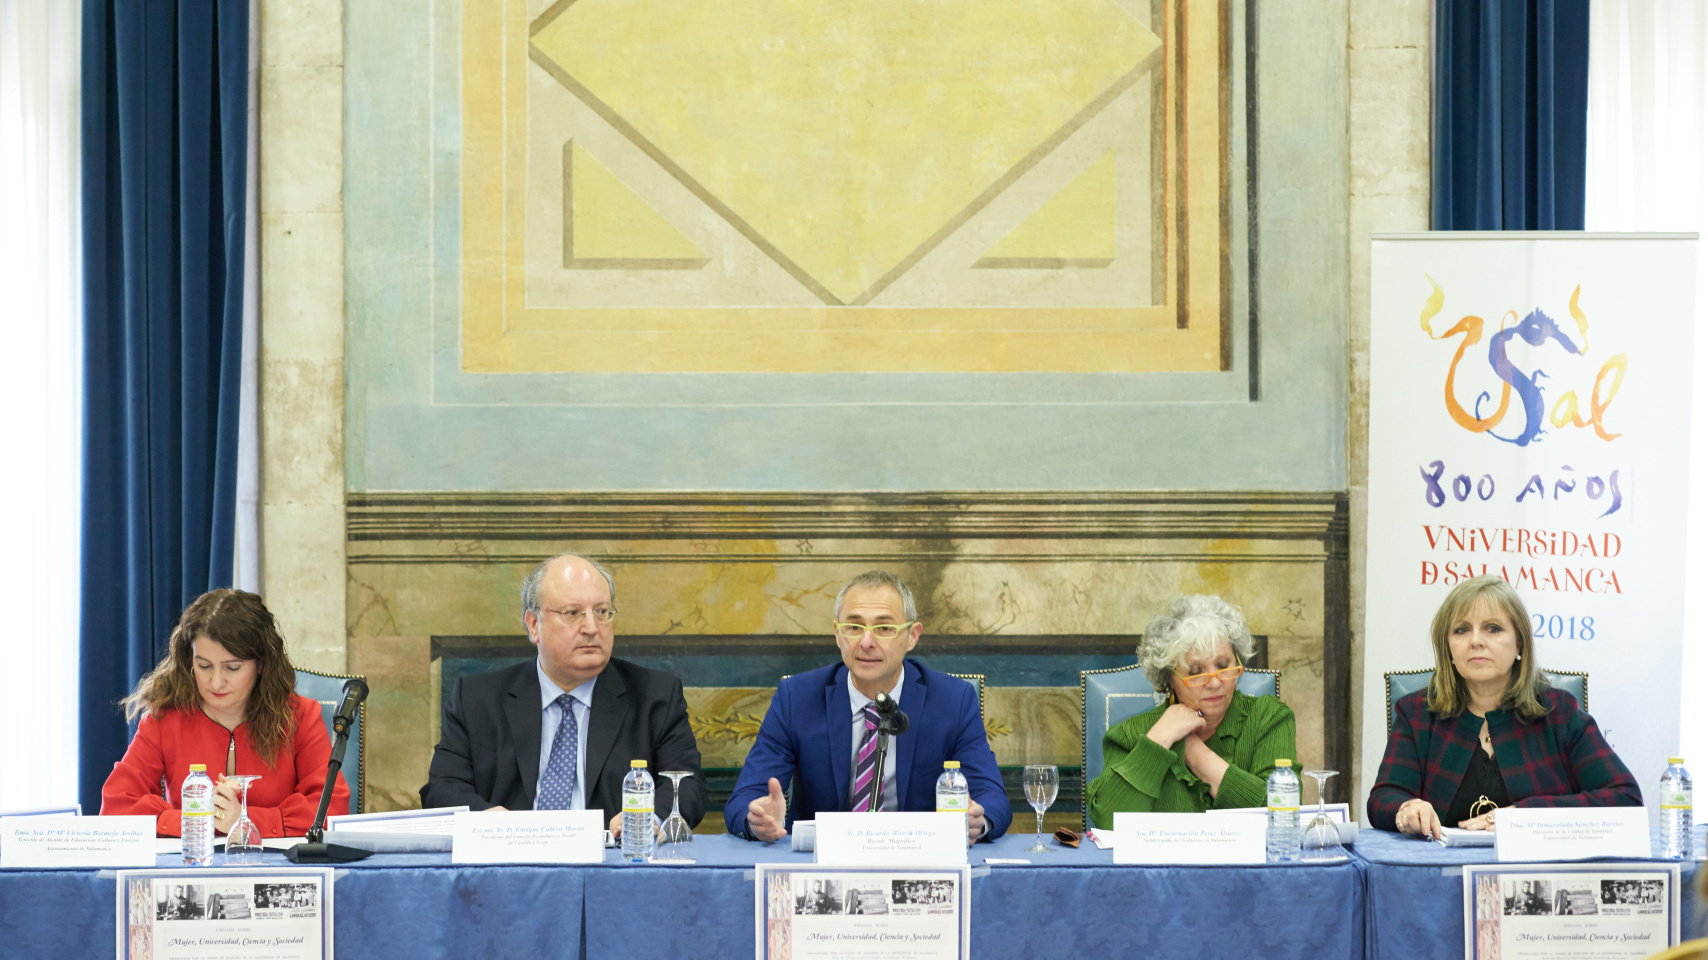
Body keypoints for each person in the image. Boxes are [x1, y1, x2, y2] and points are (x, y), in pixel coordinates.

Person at [420, 554, 706, 835]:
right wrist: (487, 820)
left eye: (602, 612)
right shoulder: (477, 700)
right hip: (511, 866)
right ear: (534, 625)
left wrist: (649, 819)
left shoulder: (654, 696)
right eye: (573, 613)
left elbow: (687, 785)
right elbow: (443, 789)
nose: (592, 628)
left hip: (613, 867)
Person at [724, 570, 1011, 844]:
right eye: (854, 627)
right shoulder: (796, 698)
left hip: (918, 862)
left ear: (912, 635)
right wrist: (756, 819)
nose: (867, 642)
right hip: (823, 866)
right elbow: (745, 797)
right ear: (838, 634)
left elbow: (992, 797)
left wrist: (977, 820)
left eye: (884, 627)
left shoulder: (953, 700)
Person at [1368, 575, 1641, 838]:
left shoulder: (1560, 712)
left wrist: (1525, 817)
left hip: (1538, 872)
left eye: (1493, 628)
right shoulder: (1417, 713)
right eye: (1462, 630)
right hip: (1441, 875)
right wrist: (1407, 809)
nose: (1476, 640)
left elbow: (1625, 798)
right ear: (1449, 647)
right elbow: (1383, 799)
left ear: (1519, 642)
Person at [101, 589, 349, 837]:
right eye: (204, 666)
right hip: (192, 867)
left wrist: (244, 822)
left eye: (232, 668)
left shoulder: (300, 716)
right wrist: (198, 819)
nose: (216, 682)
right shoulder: (163, 720)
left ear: (261, 664)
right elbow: (116, 807)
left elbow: (332, 810)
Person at [1086, 594, 1297, 827]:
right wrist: (1158, 741)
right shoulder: (1129, 734)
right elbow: (1109, 821)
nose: (1215, 683)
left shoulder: (1270, 718)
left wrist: (1195, 753)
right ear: (1169, 679)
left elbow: (1281, 819)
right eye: (1196, 672)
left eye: (1223, 666)